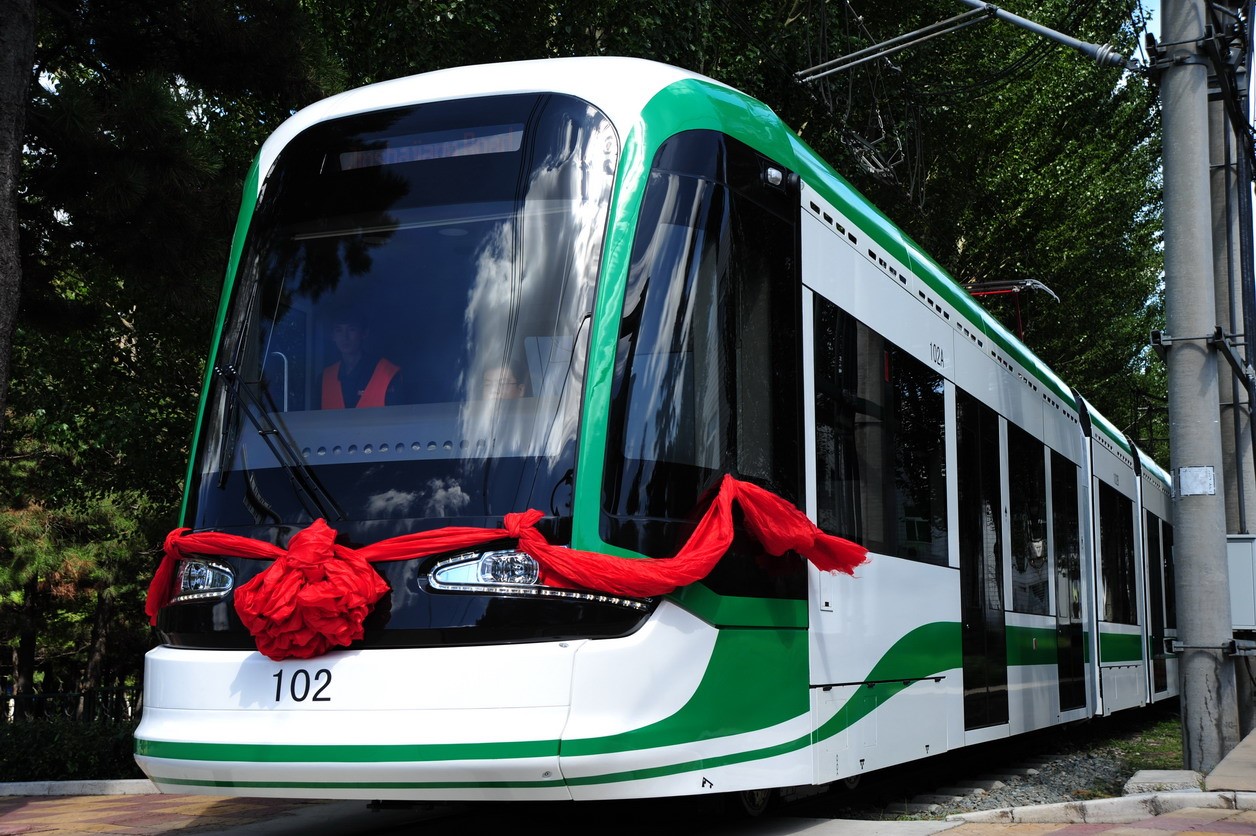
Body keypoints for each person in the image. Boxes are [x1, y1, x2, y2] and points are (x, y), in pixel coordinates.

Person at [320, 311, 403, 409]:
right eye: (339, 330)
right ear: (333, 336)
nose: (345, 337)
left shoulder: (387, 373)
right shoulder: (325, 378)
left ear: (364, 333)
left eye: (351, 329)